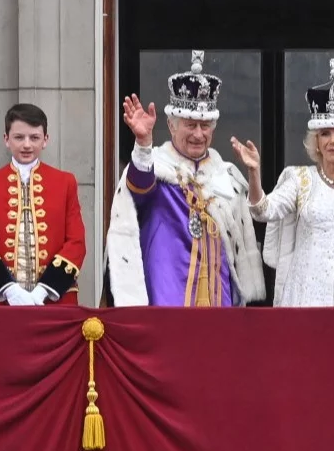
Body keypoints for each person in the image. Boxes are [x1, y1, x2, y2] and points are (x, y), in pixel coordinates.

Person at [107, 51, 264, 307]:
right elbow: (138, 187)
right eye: (190, 125)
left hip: (219, 298)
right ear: (171, 126)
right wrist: (144, 144)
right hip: (166, 296)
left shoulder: (226, 177)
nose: (198, 134)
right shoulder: (157, 167)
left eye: (205, 126)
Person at [233, 59, 334, 307]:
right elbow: (263, 211)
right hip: (307, 295)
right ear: (316, 142)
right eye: (324, 134)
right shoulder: (300, 178)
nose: (333, 141)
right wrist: (254, 172)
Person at [0, 104, 85, 306]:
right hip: (3, 302)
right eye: (19, 137)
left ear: (45, 140)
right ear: (6, 139)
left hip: (55, 299)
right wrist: (10, 291)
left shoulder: (65, 182)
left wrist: (44, 290)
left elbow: (76, 242)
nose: (27, 145)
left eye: (34, 137)